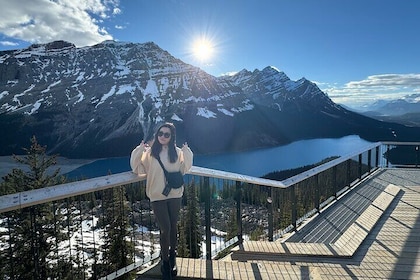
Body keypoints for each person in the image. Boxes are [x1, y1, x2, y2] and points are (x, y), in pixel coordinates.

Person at [130, 122, 193, 280]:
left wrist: (187, 152)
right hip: (157, 196)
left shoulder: (177, 152)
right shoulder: (150, 153)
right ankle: (165, 262)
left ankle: (172, 256)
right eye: (160, 134)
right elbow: (137, 168)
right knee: (165, 229)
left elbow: (185, 168)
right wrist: (140, 150)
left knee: (172, 227)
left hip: (175, 195)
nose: (163, 137)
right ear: (156, 135)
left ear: (172, 137)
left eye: (166, 134)